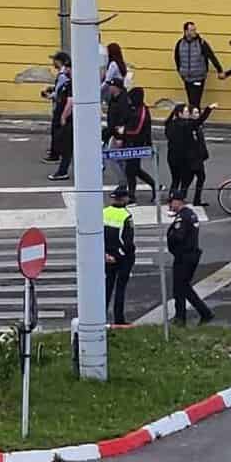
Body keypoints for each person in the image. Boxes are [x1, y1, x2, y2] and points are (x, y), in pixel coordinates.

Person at [166, 194, 213, 325]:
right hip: (190, 255)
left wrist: (170, 236)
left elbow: (178, 237)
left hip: (184, 257)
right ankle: (187, 315)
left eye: (171, 202)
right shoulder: (190, 214)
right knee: (182, 287)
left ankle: (186, 317)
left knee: (180, 287)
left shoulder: (183, 217)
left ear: (178, 201)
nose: (170, 205)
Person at [112, 87, 160, 203]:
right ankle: (154, 186)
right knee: (135, 170)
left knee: (131, 170)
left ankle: (132, 196)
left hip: (137, 144)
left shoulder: (142, 112)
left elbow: (136, 130)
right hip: (130, 143)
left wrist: (123, 131)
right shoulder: (134, 108)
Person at [165, 101, 213, 205]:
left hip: (172, 157)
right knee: (185, 180)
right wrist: (209, 109)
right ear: (180, 113)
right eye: (186, 111)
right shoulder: (185, 125)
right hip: (183, 158)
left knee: (176, 179)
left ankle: (172, 198)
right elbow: (199, 121)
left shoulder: (170, 124)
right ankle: (179, 200)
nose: (188, 113)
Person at [103, 184, 136, 326]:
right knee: (120, 288)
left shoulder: (103, 212)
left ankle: (101, 315)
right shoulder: (126, 216)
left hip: (106, 256)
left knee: (107, 287)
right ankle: (119, 318)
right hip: (122, 258)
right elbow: (128, 241)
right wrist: (122, 255)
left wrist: (105, 254)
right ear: (123, 199)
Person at [173, 22, 221, 109]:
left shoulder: (201, 43)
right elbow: (177, 58)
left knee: (195, 102)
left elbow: (211, 56)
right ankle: (194, 120)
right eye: (192, 30)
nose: (194, 32)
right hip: (187, 78)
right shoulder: (180, 43)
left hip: (198, 77)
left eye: (195, 30)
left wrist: (219, 70)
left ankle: (196, 120)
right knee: (191, 101)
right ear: (186, 31)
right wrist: (180, 72)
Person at [42, 51, 72, 162]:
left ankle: (55, 153)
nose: (53, 63)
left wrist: (49, 95)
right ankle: (56, 151)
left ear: (59, 61)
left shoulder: (63, 75)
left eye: (54, 60)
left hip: (60, 105)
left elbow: (60, 92)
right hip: (60, 104)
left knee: (56, 129)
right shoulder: (63, 74)